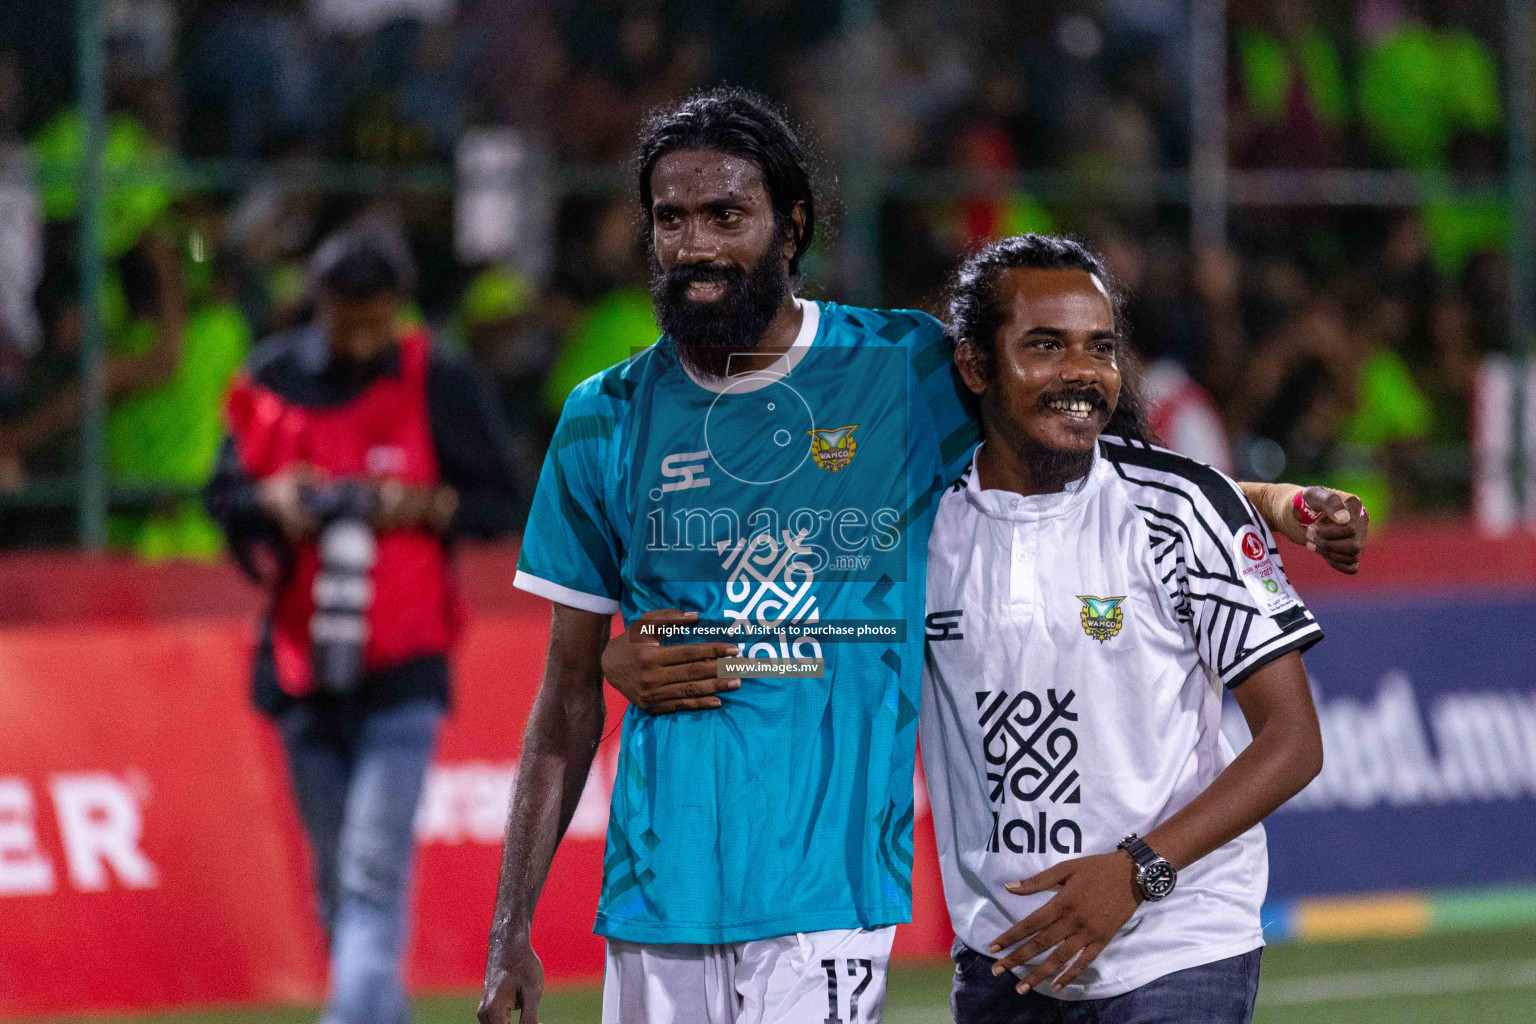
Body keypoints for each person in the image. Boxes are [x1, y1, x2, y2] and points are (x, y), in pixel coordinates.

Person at [479, 90, 1364, 1024]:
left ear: (791, 229)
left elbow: (1069, 426)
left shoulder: (900, 370)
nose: (696, 245)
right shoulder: (600, 420)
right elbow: (566, 695)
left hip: (826, 892)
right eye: (672, 220)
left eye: (726, 215)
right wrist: (510, 930)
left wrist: (1269, 502)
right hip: (657, 889)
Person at [927, 234, 1331, 1022]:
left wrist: (1137, 871)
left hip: (1178, 940)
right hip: (1006, 960)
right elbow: (818, 652)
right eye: (1045, 346)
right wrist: (639, 657)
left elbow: (1293, 742)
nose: (1081, 372)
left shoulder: (1178, 509)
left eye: (1100, 348)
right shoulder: (921, 525)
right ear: (975, 366)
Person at [204, 223, 521, 1024]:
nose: (365, 337)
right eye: (350, 318)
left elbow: (501, 501)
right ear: (322, 306)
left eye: (380, 318)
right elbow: (223, 499)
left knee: (374, 867)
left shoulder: (436, 380)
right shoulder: (271, 379)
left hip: (405, 657)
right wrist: (271, 501)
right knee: (333, 878)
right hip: (303, 662)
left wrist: (424, 506)